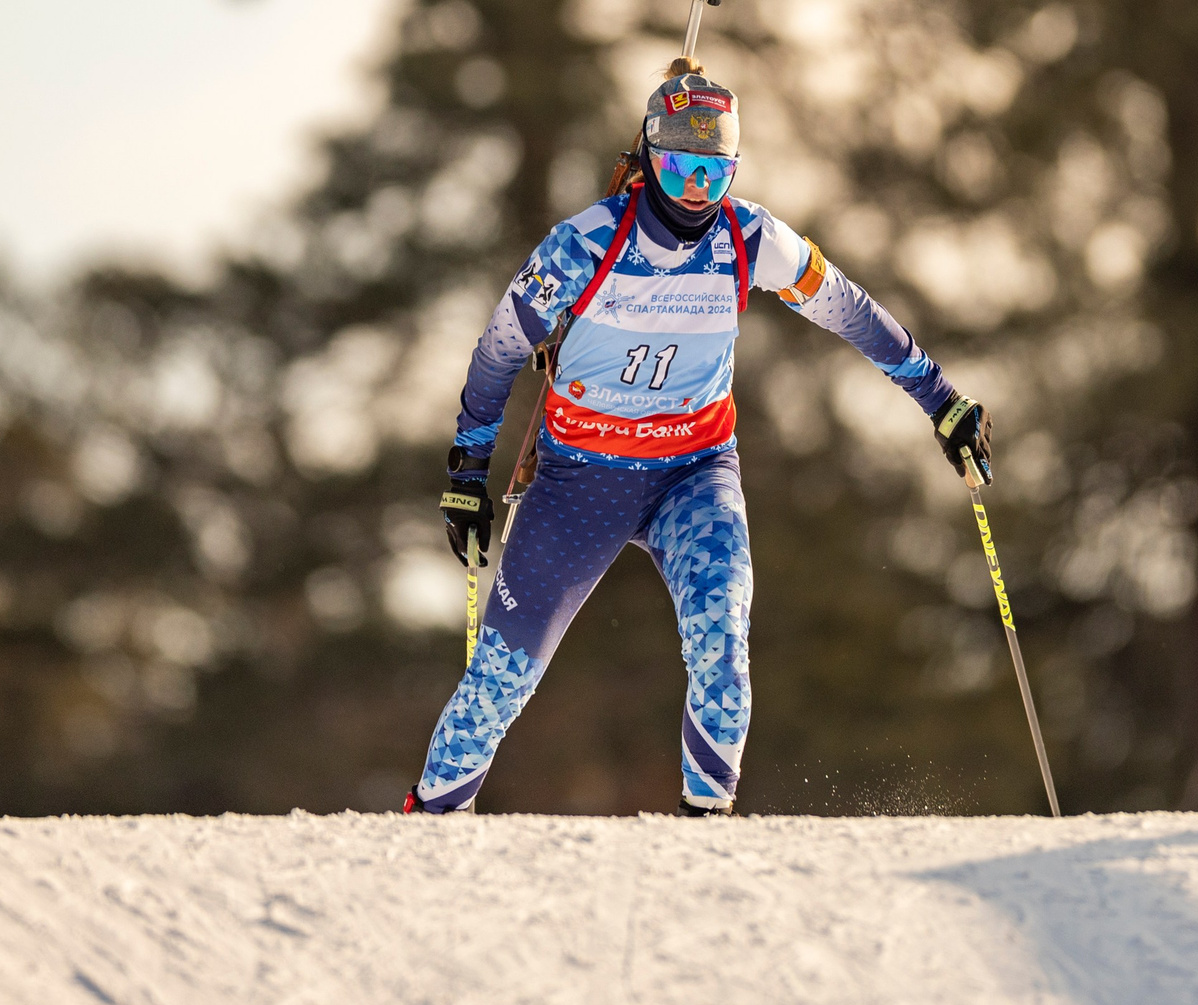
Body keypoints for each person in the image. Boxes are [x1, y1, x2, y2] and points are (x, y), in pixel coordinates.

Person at [402, 57, 992, 815]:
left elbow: (850, 310)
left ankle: (703, 841)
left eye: (714, 173)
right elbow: (499, 351)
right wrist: (467, 470)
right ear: (649, 155)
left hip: (693, 472)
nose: (695, 189)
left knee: (723, 647)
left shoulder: (751, 238)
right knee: (498, 684)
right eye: (681, 168)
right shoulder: (583, 246)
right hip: (581, 480)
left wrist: (941, 399)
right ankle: (423, 837)